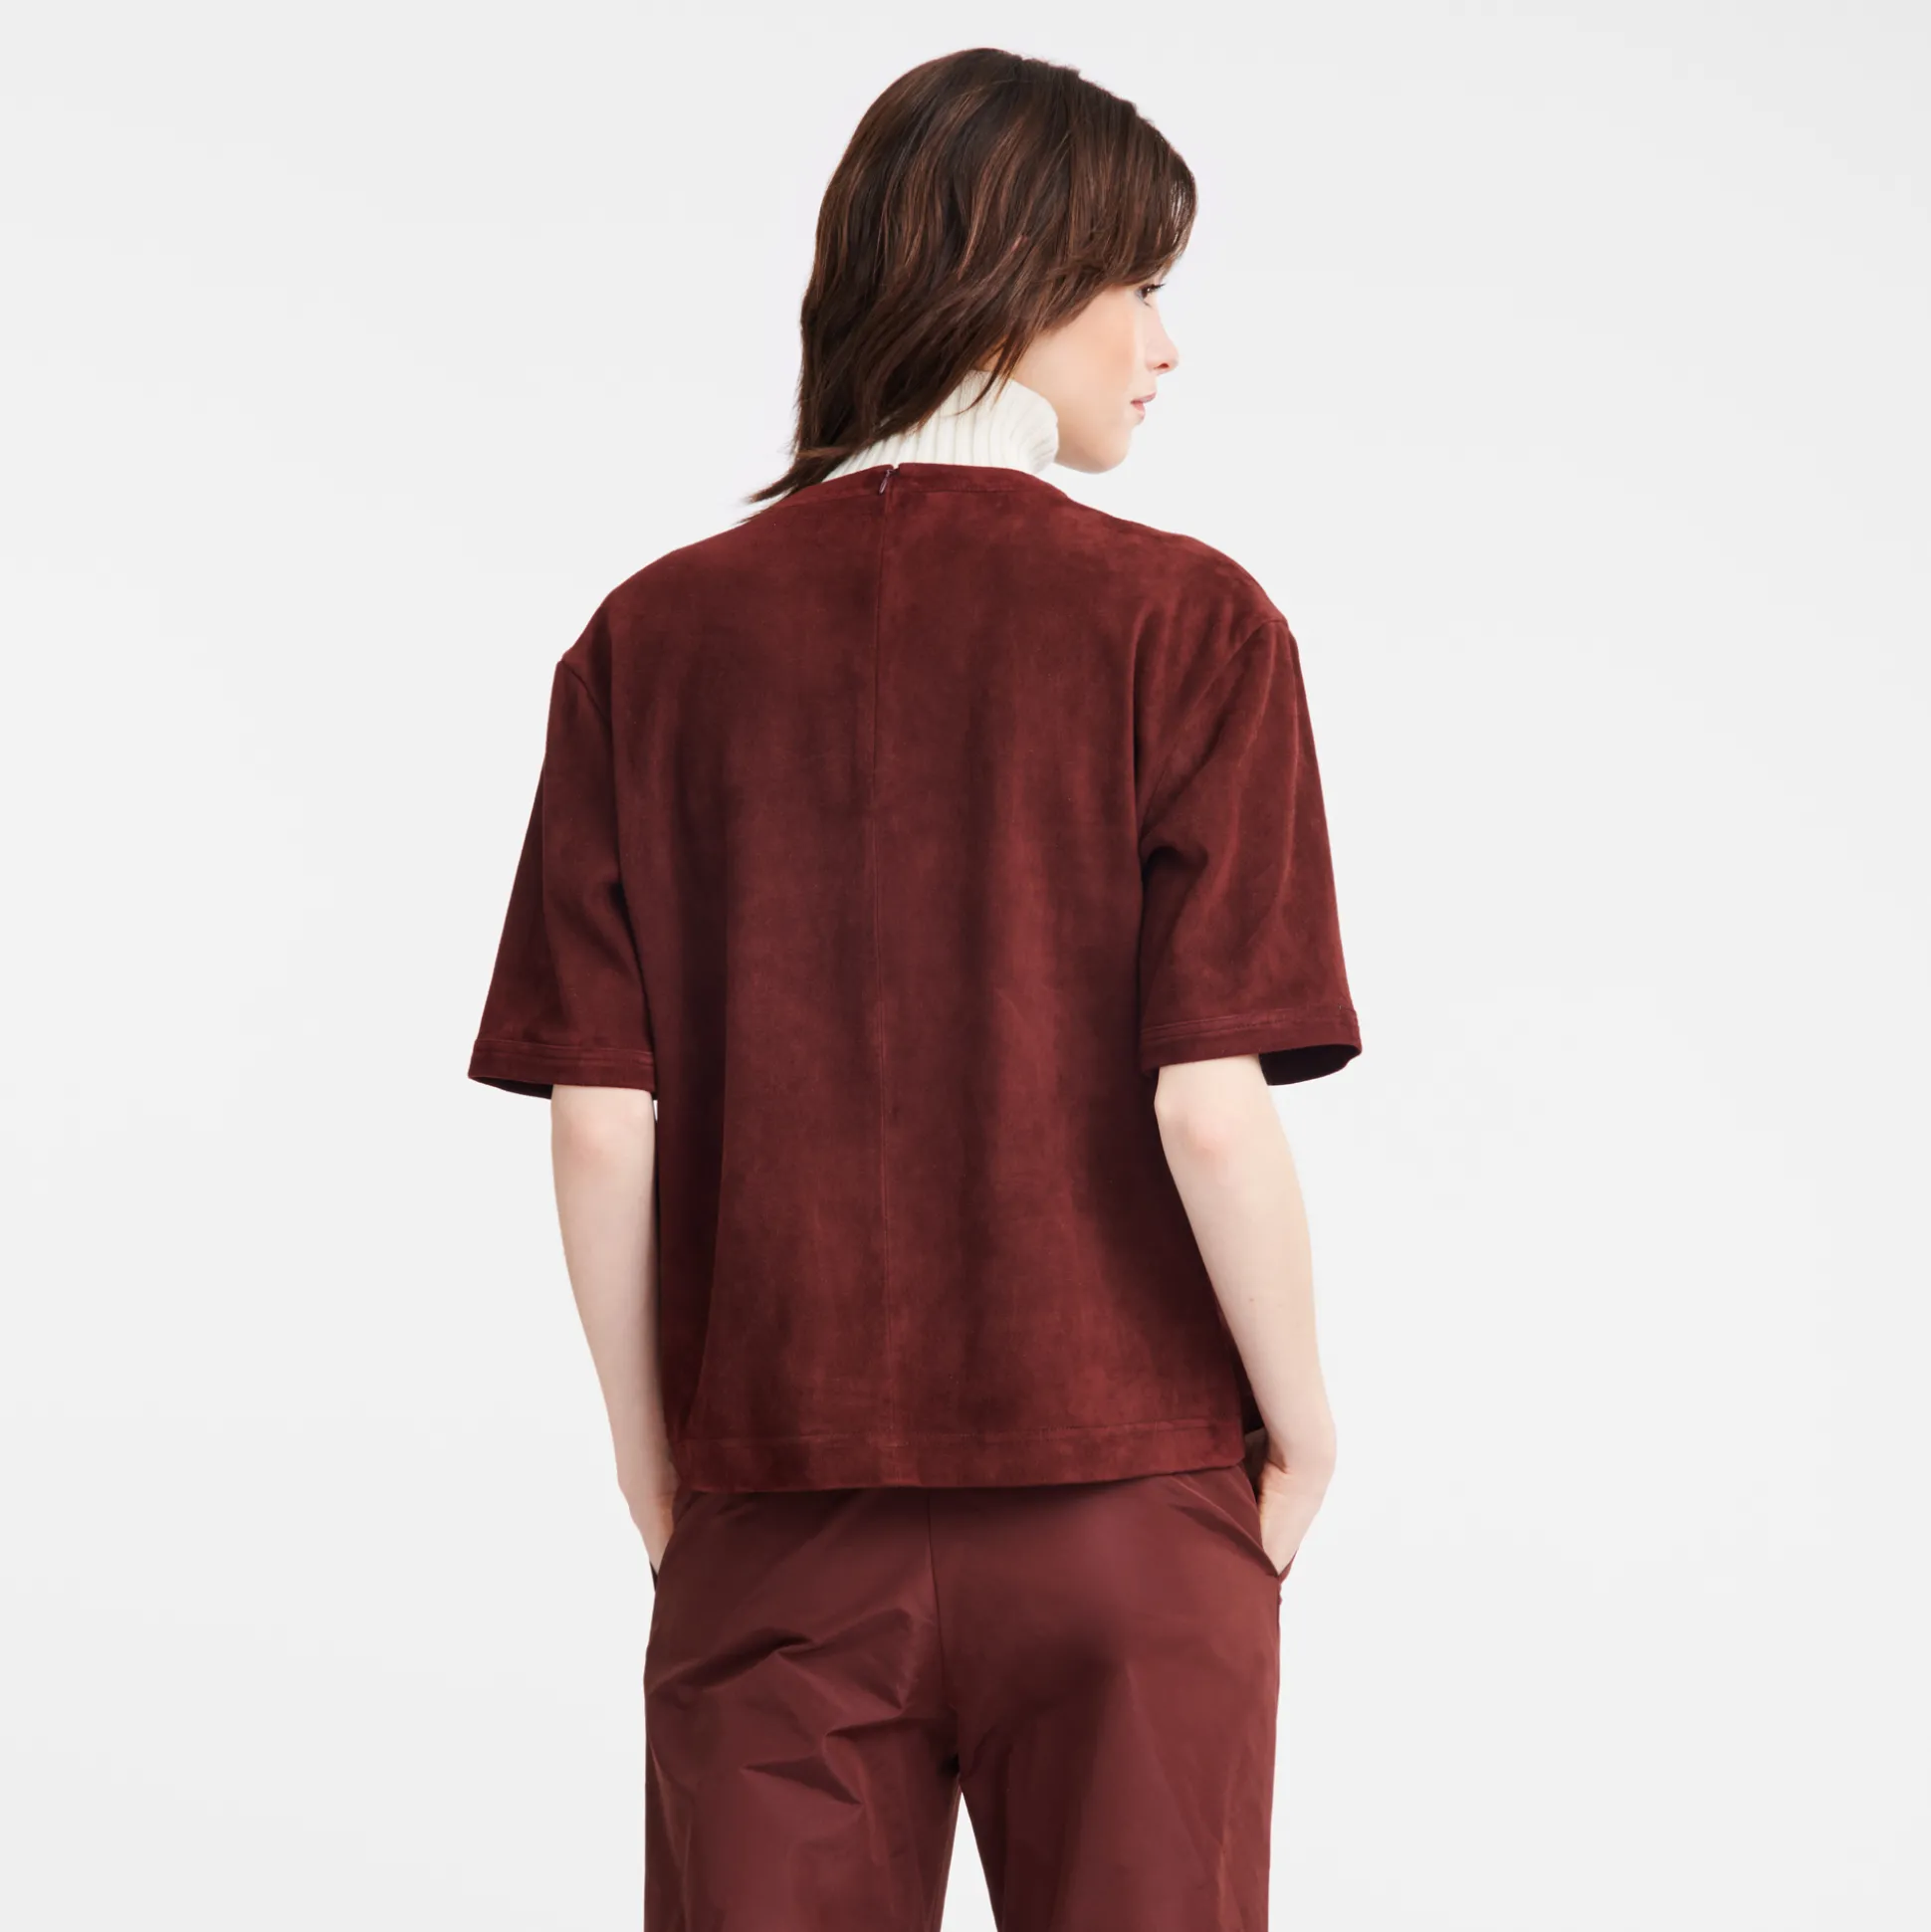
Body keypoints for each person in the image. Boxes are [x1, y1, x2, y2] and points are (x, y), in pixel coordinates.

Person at [467, 45, 1363, 1932]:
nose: (1164, 347)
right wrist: (1304, 1432)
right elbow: (1209, 1108)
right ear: (1025, 278)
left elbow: (601, 1125)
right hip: (1128, 1498)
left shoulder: (649, 641)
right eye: (1140, 286)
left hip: (777, 1506)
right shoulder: (1190, 624)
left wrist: (661, 1471)